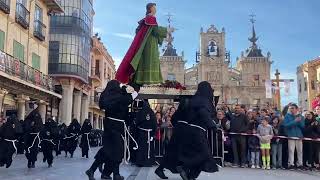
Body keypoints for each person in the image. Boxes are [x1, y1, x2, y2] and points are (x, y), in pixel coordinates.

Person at [86, 80, 139, 180]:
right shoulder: (117, 97)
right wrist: (134, 92)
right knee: (116, 151)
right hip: (115, 127)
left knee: (109, 151)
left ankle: (100, 172)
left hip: (111, 126)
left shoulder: (109, 97)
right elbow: (128, 99)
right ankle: (113, 174)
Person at [115, 3, 168, 85]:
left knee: (143, 61)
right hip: (150, 44)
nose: (156, 10)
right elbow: (156, 31)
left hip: (145, 44)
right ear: (151, 9)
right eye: (155, 8)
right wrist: (167, 30)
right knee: (151, 60)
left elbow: (139, 31)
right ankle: (150, 80)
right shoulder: (151, 18)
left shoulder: (145, 19)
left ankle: (140, 79)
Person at [178, 81, 218, 180]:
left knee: (196, 154)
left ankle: (190, 175)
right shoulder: (203, 100)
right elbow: (203, 112)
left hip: (188, 130)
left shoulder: (194, 99)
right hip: (197, 131)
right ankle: (185, 168)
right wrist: (212, 125)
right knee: (204, 155)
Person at [155, 97, 191, 179]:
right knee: (181, 153)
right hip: (181, 135)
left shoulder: (178, 112)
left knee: (172, 154)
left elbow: (174, 121)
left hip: (178, 134)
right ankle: (184, 171)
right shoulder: (186, 112)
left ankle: (160, 169)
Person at [134, 99, 157, 167]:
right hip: (149, 133)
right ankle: (149, 162)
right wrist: (153, 134)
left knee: (141, 148)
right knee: (148, 148)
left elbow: (137, 123)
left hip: (142, 133)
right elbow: (154, 124)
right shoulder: (152, 112)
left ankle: (140, 162)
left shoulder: (140, 112)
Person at [283, 103, 305, 169]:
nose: (291, 109)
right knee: (291, 150)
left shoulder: (300, 116)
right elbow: (286, 125)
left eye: (292, 108)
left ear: (296, 109)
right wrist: (295, 121)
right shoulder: (287, 116)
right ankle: (291, 164)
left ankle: (300, 164)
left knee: (300, 151)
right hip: (291, 135)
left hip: (299, 136)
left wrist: (299, 120)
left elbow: (302, 126)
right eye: (290, 108)